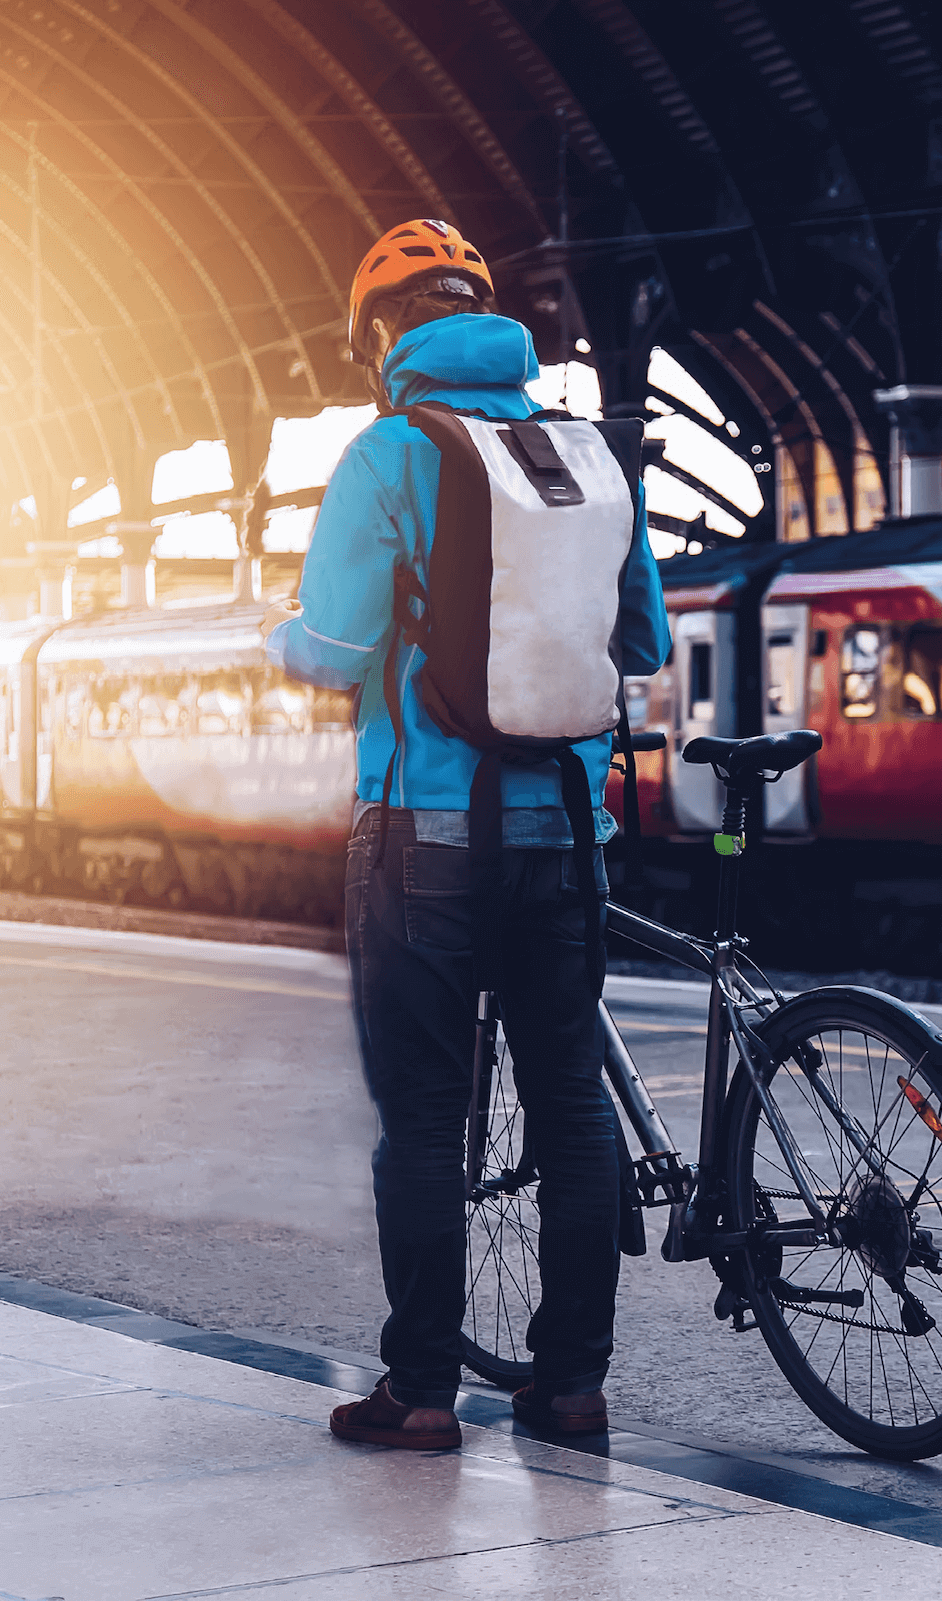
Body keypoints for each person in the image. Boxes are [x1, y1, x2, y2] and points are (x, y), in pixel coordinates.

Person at [263, 218, 669, 1450]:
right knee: (571, 1108)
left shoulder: (388, 453)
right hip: (562, 837)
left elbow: (330, 652)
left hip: (422, 843)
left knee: (428, 1119)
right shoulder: (588, 453)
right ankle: (570, 1385)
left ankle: (423, 1392)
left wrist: (280, 632)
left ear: (385, 337)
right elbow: (638, 641)